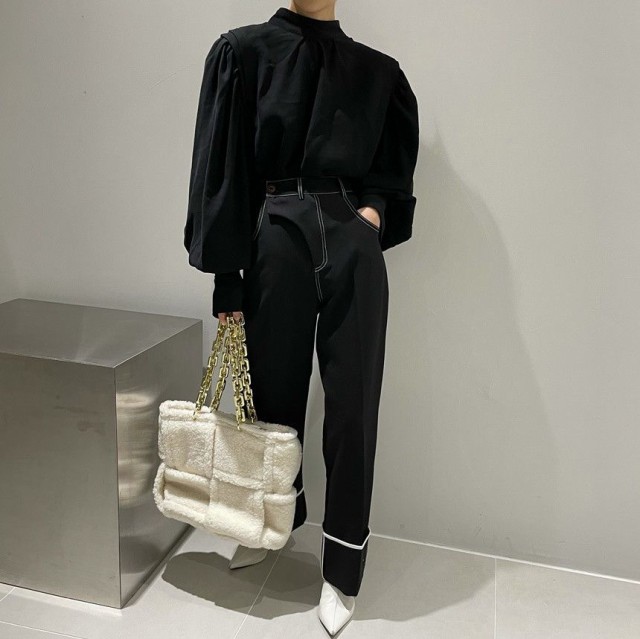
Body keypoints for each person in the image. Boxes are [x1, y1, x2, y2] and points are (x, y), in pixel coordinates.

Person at [184, 1, 419, 634]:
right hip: (275, 236)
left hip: (350, 242)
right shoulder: (243, 53)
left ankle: (342, 567)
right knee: (271, 395)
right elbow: (224, 168)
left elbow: (392, 166)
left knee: (353, 407)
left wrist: (370, 215)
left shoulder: (377, 72)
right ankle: (270, 523)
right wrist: (228, 280)